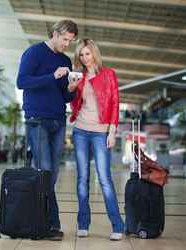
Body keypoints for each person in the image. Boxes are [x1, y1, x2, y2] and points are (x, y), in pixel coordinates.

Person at [17, 19, 78, 241]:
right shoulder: (34, 53)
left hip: (58, 120)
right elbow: (21, 82)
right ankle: (50, 224)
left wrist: (71, 89)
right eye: (64, 39)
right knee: (44, 171)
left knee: (52, 174)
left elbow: (65, 96)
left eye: (70, 41)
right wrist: (52, 76)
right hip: (37, 119)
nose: (67, 45)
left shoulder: (65, 60)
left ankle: (36, 218)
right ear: (55, 33)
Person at [69, 38, 124, 241]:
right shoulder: (78, 77)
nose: (84, 58)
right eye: (81, 55)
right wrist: (71, 89)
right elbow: (74, 104)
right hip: (81, 130)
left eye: (87, 54)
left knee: (105, 180)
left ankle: (118, 225)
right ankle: (83, 224)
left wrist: (112, 132)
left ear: (94, 53)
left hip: (101, 132)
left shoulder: (109, 75)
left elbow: (115, 103)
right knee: (82, 179)